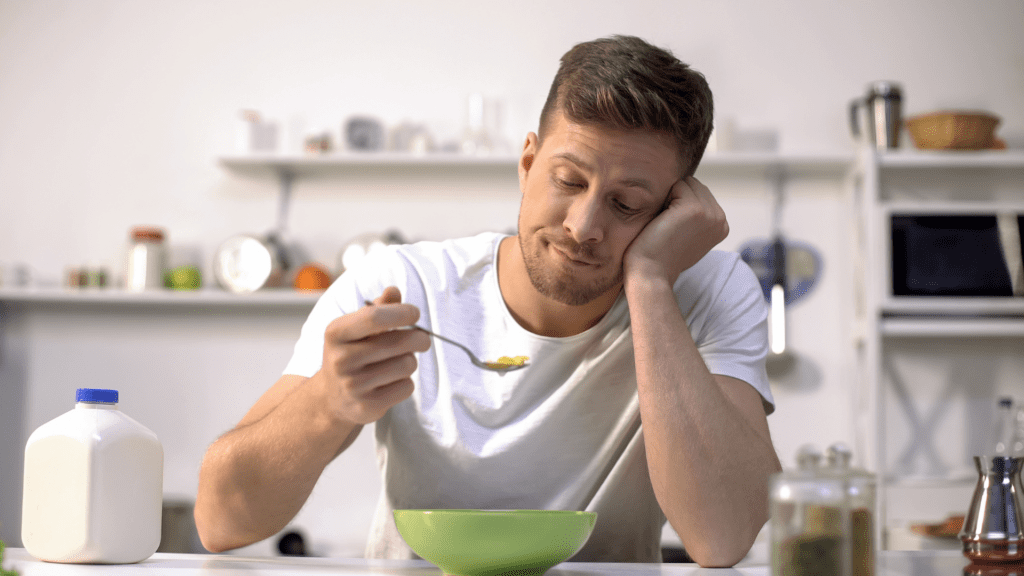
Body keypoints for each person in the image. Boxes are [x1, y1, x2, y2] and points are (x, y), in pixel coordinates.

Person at [195, 34, 781, 568]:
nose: (583, 226)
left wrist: (651, 280)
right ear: (527, 164)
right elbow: (220, 521)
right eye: (569, 181)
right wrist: (327, 402)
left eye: (627, 204)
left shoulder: (708, 290)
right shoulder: (401, 285)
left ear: (671, 212)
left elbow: (723, 537)